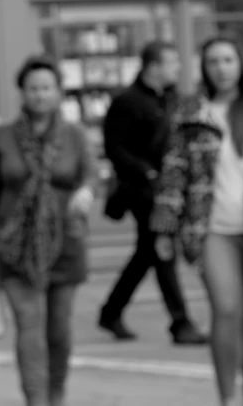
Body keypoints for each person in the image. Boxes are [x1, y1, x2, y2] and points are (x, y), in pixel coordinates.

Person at [151, 36, 243, 406]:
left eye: (228, 60)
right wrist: (165, 227)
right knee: (226, 309)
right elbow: (174, 173)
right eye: (213, 61)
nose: (221, 68)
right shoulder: (191, 114)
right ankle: (228, 399)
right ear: (204, 68)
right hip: (211, 228)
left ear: (241, 64)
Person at [0, 55, 96, 406]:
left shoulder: (75, 135)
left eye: (47, 88)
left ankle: (56, 393)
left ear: (58, 92)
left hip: (65, 241)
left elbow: (91, 174)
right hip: (12, 244)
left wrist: (87, 191)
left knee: (58, 330)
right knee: (29, 325)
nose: (40, 95)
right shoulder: (4, 135)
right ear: (22, 93)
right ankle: (36, 400)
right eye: (33, 89)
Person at [97, 41, 206, 345]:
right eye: (172, 62)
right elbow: (114, 148)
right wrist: (147, 172)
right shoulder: (127, 102)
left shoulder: (174, 100)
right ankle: (180, 322)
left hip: (172, 189)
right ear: (153, 66)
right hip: (142, 192)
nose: (178, 68)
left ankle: (111, 311)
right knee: (162, 249)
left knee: (147, 253)